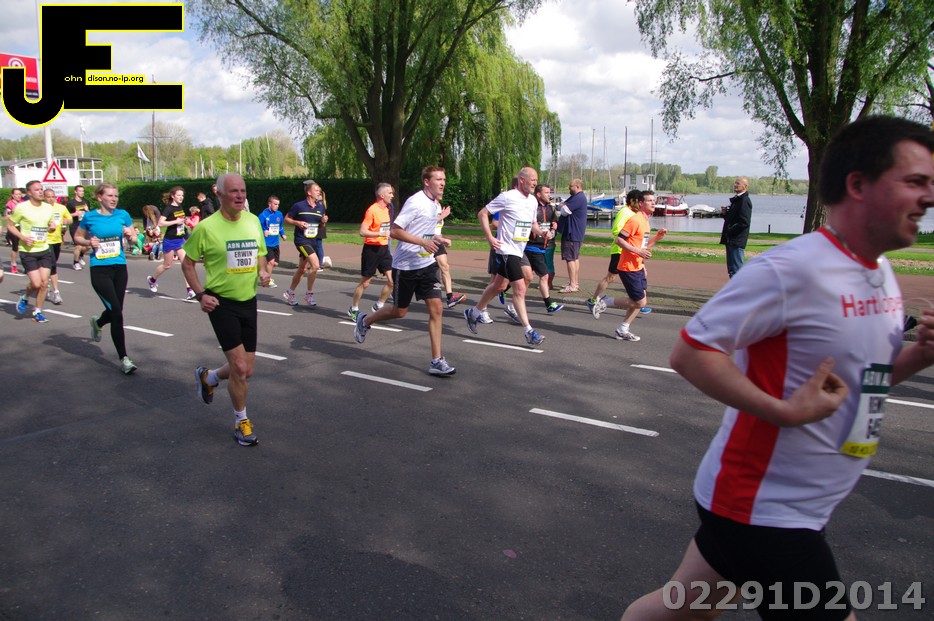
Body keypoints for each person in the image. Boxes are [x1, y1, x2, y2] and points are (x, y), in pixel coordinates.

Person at [620, 116, 934, 621]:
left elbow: (857, 382)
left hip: (801, 502)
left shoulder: (878, 271)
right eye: (915, 182)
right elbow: (692, 352)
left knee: (682, 608)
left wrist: (919, 355)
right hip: (765, 506)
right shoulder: (793, 269)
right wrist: (783, 411)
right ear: (858, 184)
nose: (929, 197)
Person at [184, 173, 270, 446]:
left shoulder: (253, 221)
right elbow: (188, 263)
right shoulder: (206, 227)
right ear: (219, 194)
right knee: (239, 366)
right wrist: (200, 295)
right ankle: (241, 421)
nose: (240, 196)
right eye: (234, 191)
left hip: (248, 300)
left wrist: (263, 271)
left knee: (247, 370)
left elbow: (260, 253)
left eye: (243, 190)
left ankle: (209, 377)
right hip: (221, 303)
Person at [353, 166, 456, 377]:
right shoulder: (415, 202)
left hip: (426, 265)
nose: (443, 183)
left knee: (437, 309)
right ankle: (365, 321)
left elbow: (424, 231)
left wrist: (438, 238)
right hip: (406, 266)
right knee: (399, 311)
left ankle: (436, 361)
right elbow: (395, 231)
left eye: (444, 179)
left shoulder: (434, 205)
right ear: (426, 182)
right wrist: (422, 242)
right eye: (438, 179)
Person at [464, 167, 546, 346]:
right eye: (532, 179)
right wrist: (489, 237)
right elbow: (482, 213)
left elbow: (532, 223)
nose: (535, 183)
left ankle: (473, 313)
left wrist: (542, 232)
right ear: (522, 180)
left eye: (536, 179)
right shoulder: (508, 197)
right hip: (506, 250)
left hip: (519, 249)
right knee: (520, 289)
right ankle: (529, 332)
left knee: (499, 286)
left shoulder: (533, 201)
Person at [75, 183, 139, 375]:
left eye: (116, 196)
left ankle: (98, 323)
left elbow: (134, 239)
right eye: (110, 195)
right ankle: (124, 358)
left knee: (116, 310)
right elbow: (77, 237)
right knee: (117, 312)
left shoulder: (123, 215)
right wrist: (89, 242)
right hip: (99, 270)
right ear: (99, 197)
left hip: (119, 267)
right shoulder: (90, 217)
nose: (114, 199)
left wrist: (130, 235)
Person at [590, 190, 666, 341]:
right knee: (640, 302)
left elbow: (643, 247)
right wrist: (638, 252)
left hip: (638, 266)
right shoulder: (635, 220)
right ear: (641, 203)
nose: (653, 203)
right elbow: (619, 240)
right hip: (627, 267)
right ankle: (604, 301)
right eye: (650, 200)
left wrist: (656, 238)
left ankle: (622, 329)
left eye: (654, 200)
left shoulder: (645, 221)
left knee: (640, 301)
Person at [7, 180, 54, 323]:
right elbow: (10, 225)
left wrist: (52, 227)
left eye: (41, 189)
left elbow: (50, 225)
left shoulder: (48, 207)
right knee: (36, 284)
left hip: (44, 249)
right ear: (29, 193)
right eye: (36, 189)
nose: (40, 192)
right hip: (28, 251)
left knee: (44, 283)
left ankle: (37, 312)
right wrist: (23, 237)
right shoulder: (21, 207)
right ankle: (25, 297)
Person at [587, 190, 640, 315]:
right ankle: (593, 300)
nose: (641, 204)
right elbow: (616, 230)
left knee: (637, 276)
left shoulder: (635, 214)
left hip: (631, 251)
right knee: (610, 277)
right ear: (632, 201)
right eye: (639, 201)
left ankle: (638, 300)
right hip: (620, 251)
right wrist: (629, 240)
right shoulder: (624, 212)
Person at [348, 183, 395, 320]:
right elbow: (362, 231)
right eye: (390, 193)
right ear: (382, 195)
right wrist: (380, 233)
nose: (392, 195)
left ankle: (379, 305)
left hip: (384, 249)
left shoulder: (387, 209)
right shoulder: (372, 210)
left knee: (392, 281)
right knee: (365, 283)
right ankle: (353, 309)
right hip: (371, 250)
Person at [282, 180, 328, 306]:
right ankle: (309, 294)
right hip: (301, 240)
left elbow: (321, 226)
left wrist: (323, 221)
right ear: (309, 192)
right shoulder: (299, 206)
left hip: (313, 240)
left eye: (319, 191)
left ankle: (290, 293)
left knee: (302, 269)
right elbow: (287, 219)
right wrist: (298, 223)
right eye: (316, 190)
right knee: (315, 265)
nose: (319, 192)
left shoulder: (320, 207)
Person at [147, 186, 196, 299]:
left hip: (180, 239)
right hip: (170, 240)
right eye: (178, 195)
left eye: (182, 195)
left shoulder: (180, 207)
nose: (181, 197)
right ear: (173, 196)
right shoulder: (168, 208)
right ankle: (152, 280)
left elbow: (180, 220)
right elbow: (161, 223)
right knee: (167, 265)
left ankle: (190, 291)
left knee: (186, 265)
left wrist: (185, 221)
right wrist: (176, 221)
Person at [523, 183, 562, 313]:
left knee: (526, 278)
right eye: (546, 193)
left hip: (544, 246)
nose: (549, 195)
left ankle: (504, 291)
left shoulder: (550, 208)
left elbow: (554, 223)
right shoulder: (532, 207)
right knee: (544, 275)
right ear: (539, 194)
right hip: (532, 246)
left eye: (550, 193)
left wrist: (553, 228)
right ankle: (549, 304)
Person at [432, 202, 467, 309]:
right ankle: (400, 289)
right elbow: (425, 223)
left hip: (438, 242)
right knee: (418, 271)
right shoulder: (427, 204)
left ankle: (450, 297)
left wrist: (442, 240)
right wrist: (442, 216)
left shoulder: (438, 206)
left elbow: (437, 228)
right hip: (426, 240)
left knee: (445, 267)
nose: (441, 195)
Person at [558, 178, 588, 293]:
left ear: (577, 187)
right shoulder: (577, 197)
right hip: (576, 233)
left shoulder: (578, 198)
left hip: (572, 232)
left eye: (570, 186)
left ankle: (572, 285)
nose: (569, 188)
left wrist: (561, 206)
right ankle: (574, 282)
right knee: (575, 258)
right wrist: (563, 205)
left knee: (570, 258)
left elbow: (564, 211)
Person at [42, 188, 72, 305]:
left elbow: (70, 219)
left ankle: (46, 284)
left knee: (51, 265)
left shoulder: (61, 208)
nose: (51, 199)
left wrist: (64, 221)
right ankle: (56, 292)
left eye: (52, 197)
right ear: (44, 198)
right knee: (52, 265)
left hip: (57, 240)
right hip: (45, 241)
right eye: (48, 197)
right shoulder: (41, 208)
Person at [720, 176, 752, 277]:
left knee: (736, 271)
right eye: (735, 183)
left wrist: (730, 230)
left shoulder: (744, 201)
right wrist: (725, 214)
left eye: (738, 183)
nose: (735, 185)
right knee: (732, 270)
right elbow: (732, 220)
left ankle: (741, 287)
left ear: (745, 186)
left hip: (737, 241)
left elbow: (744, 222)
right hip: (731, 240)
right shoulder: (737, 200)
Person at [258, 194, 285, 288]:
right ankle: (268, 280)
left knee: (275, 263)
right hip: (267, 243)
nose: (277, 206)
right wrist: (263, 231)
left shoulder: (279, 214)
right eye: (275, 204)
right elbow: (257, 227)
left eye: (278, 204)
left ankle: (261, 269)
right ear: (269, 204)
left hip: (275, 242)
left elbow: (280, 226)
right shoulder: (263, 215)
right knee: (271, 262)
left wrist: (282, 234)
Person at [66, 185, 90, 270]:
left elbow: (89, 214)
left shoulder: (86, 201)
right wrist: (75, 214)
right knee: (78, 246)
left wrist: (87, 210)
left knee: (89, 245)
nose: (82, 192)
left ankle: (81, 255)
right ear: (75, 191)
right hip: (75, 226)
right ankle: (75, 263)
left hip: (84, 226)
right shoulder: (71, 203)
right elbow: (66, 215)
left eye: (83, 191)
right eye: (80, 191)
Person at [5, 187, 24, 273]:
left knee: (24, 247)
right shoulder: (9, 204)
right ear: (12, 195)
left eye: (19, 194)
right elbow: (7, 217)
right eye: (16, 194)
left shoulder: (23, 203)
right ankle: (13, 265)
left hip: (23, 227)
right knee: (15, 247)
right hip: (14, 227)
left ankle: (25, 265)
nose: (18, 196)